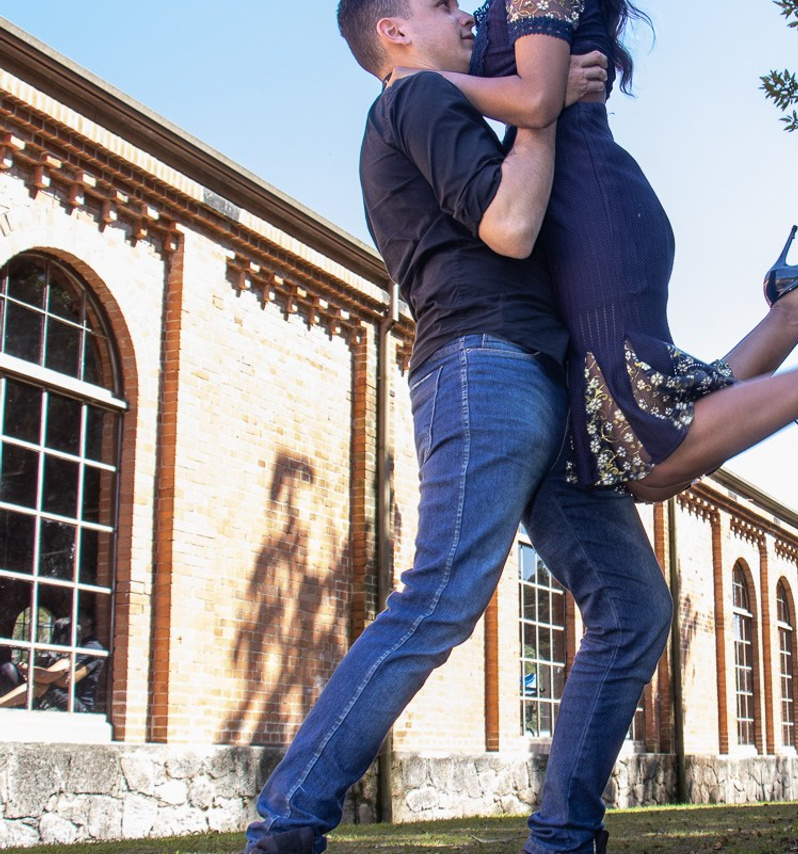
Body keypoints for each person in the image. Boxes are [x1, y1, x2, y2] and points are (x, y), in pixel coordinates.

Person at [243, 2, 666, 853]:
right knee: (440, 594)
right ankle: (286, 823)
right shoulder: (416, 96)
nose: (465, 13)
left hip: (537, 373)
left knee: (634, 607)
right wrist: (541, 107)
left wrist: (543, 105)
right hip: (485, 368)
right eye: (439, 3)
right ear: (393, 33)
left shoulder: (444, 105)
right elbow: (509, 226)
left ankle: (565, 835)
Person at [393, 0, 798, 504]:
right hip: (584, 205)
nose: (460, 12)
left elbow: (536, 100)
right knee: (657, 434)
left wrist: (419, 80)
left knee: (649, 451)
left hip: (588, 204)